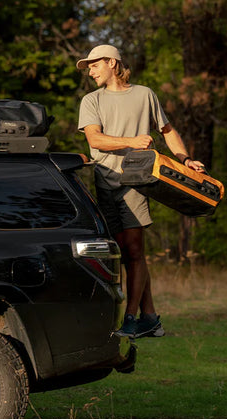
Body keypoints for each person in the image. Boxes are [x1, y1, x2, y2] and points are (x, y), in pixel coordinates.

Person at [76, 45, 204, 339]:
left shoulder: (144, 94)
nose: (91, 71)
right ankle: (150, 317)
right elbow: (95, 140)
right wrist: (132, 141)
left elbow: (168, 131)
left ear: (112, 62)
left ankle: (131, 319)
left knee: (134, 250)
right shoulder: (91, 100)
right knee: (125, 254)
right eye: (89, 68)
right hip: (105, 181)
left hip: (136, 179)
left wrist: (185, 160)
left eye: (94, 65)